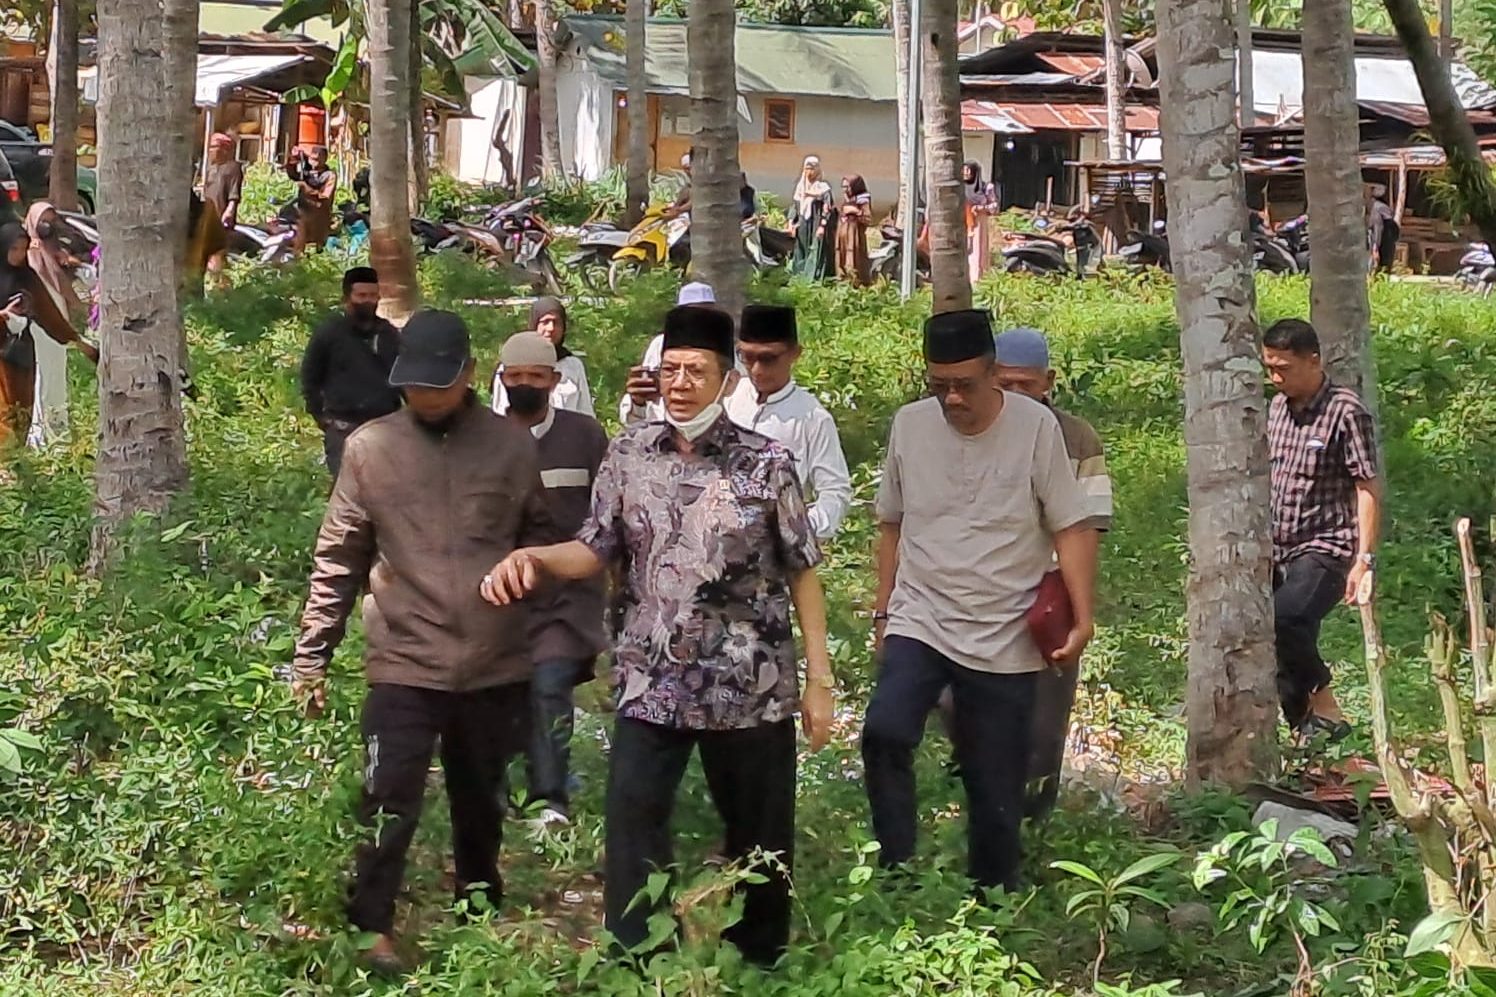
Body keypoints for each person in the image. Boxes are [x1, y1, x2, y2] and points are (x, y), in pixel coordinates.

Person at [481, 304, 835, 967]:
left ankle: (758, 961)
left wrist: (820, 678)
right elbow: (594, 547)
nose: (679, 384)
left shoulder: (766, 462)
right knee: (634, 819)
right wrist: (534, 558)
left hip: (748, 685)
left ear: (728, 380)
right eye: (670, 370)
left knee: (759, 832)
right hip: (652, 677)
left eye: (695, 371)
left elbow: (802, 569)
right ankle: (636, 957)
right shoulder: (628, 454)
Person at [291, 310, 555, 975]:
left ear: (469, 375)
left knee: (482, 798)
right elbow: (338, 556)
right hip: (403, 657)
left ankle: (478, 911)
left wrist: (531, 572)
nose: (426, 398)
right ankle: (371, 923)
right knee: (388, 795)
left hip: (495, 659)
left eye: (439, 386)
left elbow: (543, 537)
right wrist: (312, 655)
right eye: (413, 386)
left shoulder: (511, 446)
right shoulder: (371, 449)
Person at [862, 309, 1098, 893]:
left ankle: (992, 903)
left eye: (964, 385)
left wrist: (1083, 617)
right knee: (885, 731)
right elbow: (891, 524)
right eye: (939, 385)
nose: (952, 398)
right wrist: (883, 611)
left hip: (1005, 627)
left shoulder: (1036, 429)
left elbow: (1071, 525)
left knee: (995, 786)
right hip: (921, 614)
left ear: (994, 374)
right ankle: (897, 871)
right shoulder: (910, 425)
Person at [993, 327, 1113, 818]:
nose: (1016, 394)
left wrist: (1077, 609)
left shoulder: (1077, 438)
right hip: (980, 592)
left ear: (1049, 382)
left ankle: (1034, 829)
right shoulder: (973, 429)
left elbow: (1089, 526)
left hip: (1047, 595)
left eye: (1026, 385)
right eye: (1004, 384)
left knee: (1043, 725)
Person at [495, 331, 610, 826]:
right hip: (501, 596)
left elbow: (610, 517)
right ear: (502, 378)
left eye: (535, 376)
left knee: (550, 685)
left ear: (554, 380)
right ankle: (498, 795)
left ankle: (550, 800)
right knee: (503, 694)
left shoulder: (585, 436)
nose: (525, 384)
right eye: (516, 375)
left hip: (570, 594)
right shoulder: (483, 438)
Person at [1263, 318, 1380, 737]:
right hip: (1278, 547)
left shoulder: (1345, 412)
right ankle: (1313, 736)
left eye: (1284, 369)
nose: (1276, 379)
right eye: (1269, 368)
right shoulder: (1276, 409)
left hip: (1327, 546)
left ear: (1314, 361)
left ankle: (1325, 701)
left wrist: (1363, 560)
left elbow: (1367, 486)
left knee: (1286, 618)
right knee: (1282, 648)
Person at [726, 304, 852, 542]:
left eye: (768, 359)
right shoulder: (728, 397)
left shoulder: (812, 417)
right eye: (747, 357)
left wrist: (796, 530)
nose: (756, 370)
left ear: (795, 353)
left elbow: (835, 492)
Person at [0, 223, 96, 448]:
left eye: (23, 249)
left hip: (20, 355)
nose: (18, 255)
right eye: (14, 249)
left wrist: (78, 342)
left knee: (20, 411)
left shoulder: (27, 278)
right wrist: (4, 315)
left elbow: (49, 315)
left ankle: (17, 459)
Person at [299, 267, 401, 478]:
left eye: (373, 295)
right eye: (361, 295)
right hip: (343, 431)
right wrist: (321, 418)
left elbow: (402, 378)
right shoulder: (329, 333)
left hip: (386, 430)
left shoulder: (389, 334)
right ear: (347, 298)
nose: (368, 301)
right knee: (348, 488)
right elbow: (310, 378)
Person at [23, 201, 86, 446]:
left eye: (51, 220)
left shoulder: (53, 250)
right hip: (41, 321)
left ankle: (58, 426)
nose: (47, 225)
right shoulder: (30, 251)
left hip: (58, 319)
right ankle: (40, 432)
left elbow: (64, 283)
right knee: (43, 374)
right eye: (43, 221)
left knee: (56, 373)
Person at [619, 281, 716, 425]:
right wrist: (638, 401)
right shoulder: (660, 344)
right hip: (663, 425)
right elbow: (642, 400)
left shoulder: (723, 347)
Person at [491, 297, 594, 417]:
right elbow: (500, 413)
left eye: (556, 323)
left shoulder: (573, 366)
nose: (551, 328)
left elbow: (585, 410)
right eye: (545, 322)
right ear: (534, 324)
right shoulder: (513, 366)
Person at [203, 133, 244, 276]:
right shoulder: (209, 168)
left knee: (218, 251)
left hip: (221, 215)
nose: (210, 151)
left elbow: (234, 194)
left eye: (213, 147)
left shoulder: (232, 168)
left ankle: (220, 280)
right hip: (208, 215)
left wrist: (230, 210)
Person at [790, 156, 835, 281]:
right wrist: (791, 223)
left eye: (812, 169)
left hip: (817, 222)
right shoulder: (800, 188)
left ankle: (814, 277)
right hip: (803, 222)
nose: (809, 172)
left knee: (816, 248)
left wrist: (822, 225)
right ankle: (800, 277)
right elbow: (795, 207)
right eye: (807, 168)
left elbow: (827, 207)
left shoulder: (823, 188)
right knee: (802, 248)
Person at [290, 145, 337, 254]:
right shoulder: (306, 172)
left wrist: (307, 189)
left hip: (320, 216)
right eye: (312, 159)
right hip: (303, 213)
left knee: (319, 248)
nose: (315, 162)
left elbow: (325, 197)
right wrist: (293, 159)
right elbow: (292, 174)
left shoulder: (329, 175)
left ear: (325, 159)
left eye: (318, 159)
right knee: (299, 244)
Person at [835, 176, 873, 287]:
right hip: (843, 237)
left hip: (854, 236)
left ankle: (855, 282)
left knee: (853, 259)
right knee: (841, 257)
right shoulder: (847, 200)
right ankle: (842, 280)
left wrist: (855, 211)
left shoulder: (863, 200)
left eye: (847, 187)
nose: (845, 190)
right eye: (843, 187)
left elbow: (867, 219)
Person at [963, 162, 997, 284]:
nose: (966, 173)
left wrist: (980, 208)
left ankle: (976, 279)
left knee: (977, 250)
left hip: (979, 223)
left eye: (968, 170)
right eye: (964, 170)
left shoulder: (985, 187)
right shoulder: (959, 188)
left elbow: (994, 207)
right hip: (962, 222)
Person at [1366, 184, 1399, 274]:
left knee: (1383, 261)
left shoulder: (1376, 207)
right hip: (1388, 233)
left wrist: (1376, 245)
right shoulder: (1381, 206)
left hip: (1385, 234)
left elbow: (1378, 227)